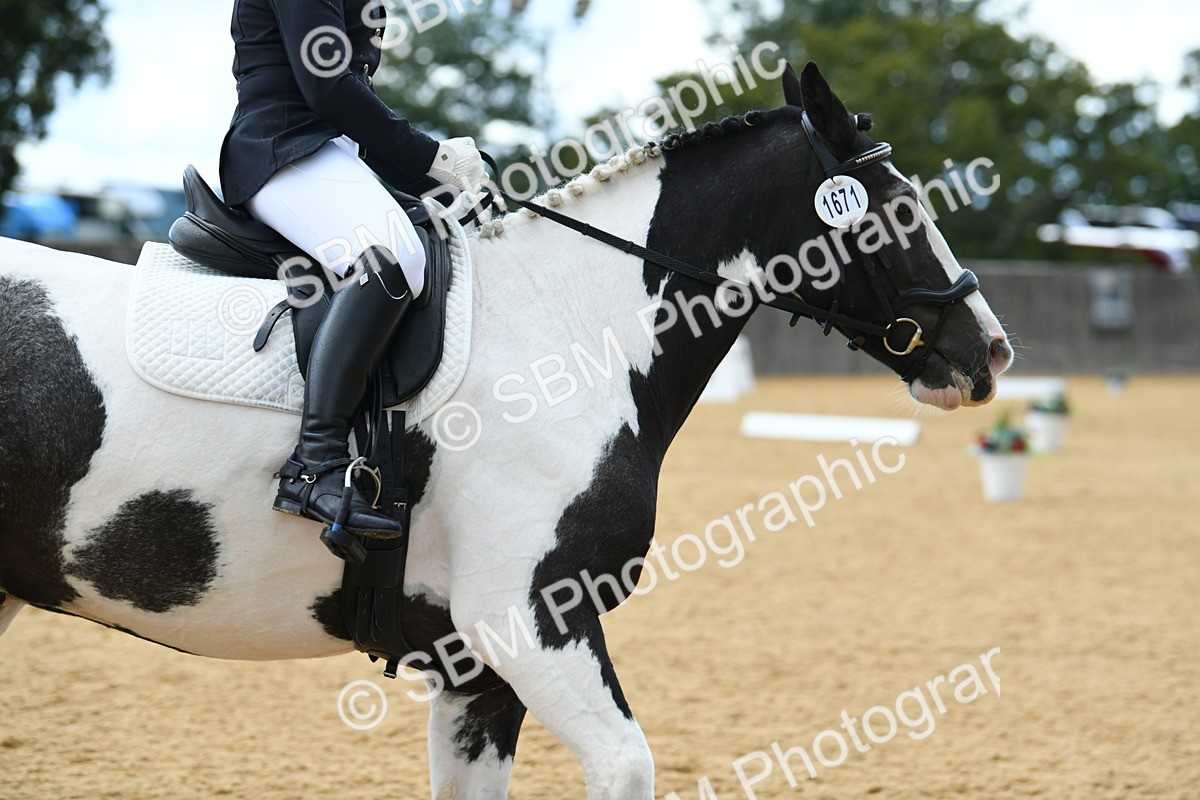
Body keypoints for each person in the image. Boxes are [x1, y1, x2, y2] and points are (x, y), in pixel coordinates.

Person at [218, 0, 485, 541]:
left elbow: (352, 114)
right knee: (393, 256)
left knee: (444, 229)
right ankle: (313, 464)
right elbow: (327, 87)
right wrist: (431, 156)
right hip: (281, 148)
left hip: (326, 153)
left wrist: (440, 178)